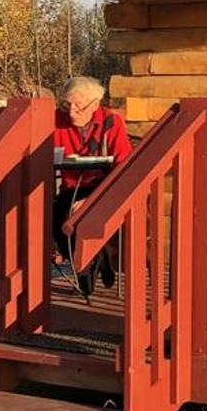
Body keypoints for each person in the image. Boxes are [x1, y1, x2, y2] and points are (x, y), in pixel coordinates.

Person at [53, 76, 133, 294]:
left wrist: (92, 200)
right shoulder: (56, 120)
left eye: (79, 107)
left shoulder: (111, 122)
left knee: (90, 217)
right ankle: (93, 264)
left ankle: (90, 267)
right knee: (57, 220)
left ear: (95, 104)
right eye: (67, 105)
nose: (71, 112)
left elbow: (123, 166)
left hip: (104, 188)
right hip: (71, 188)